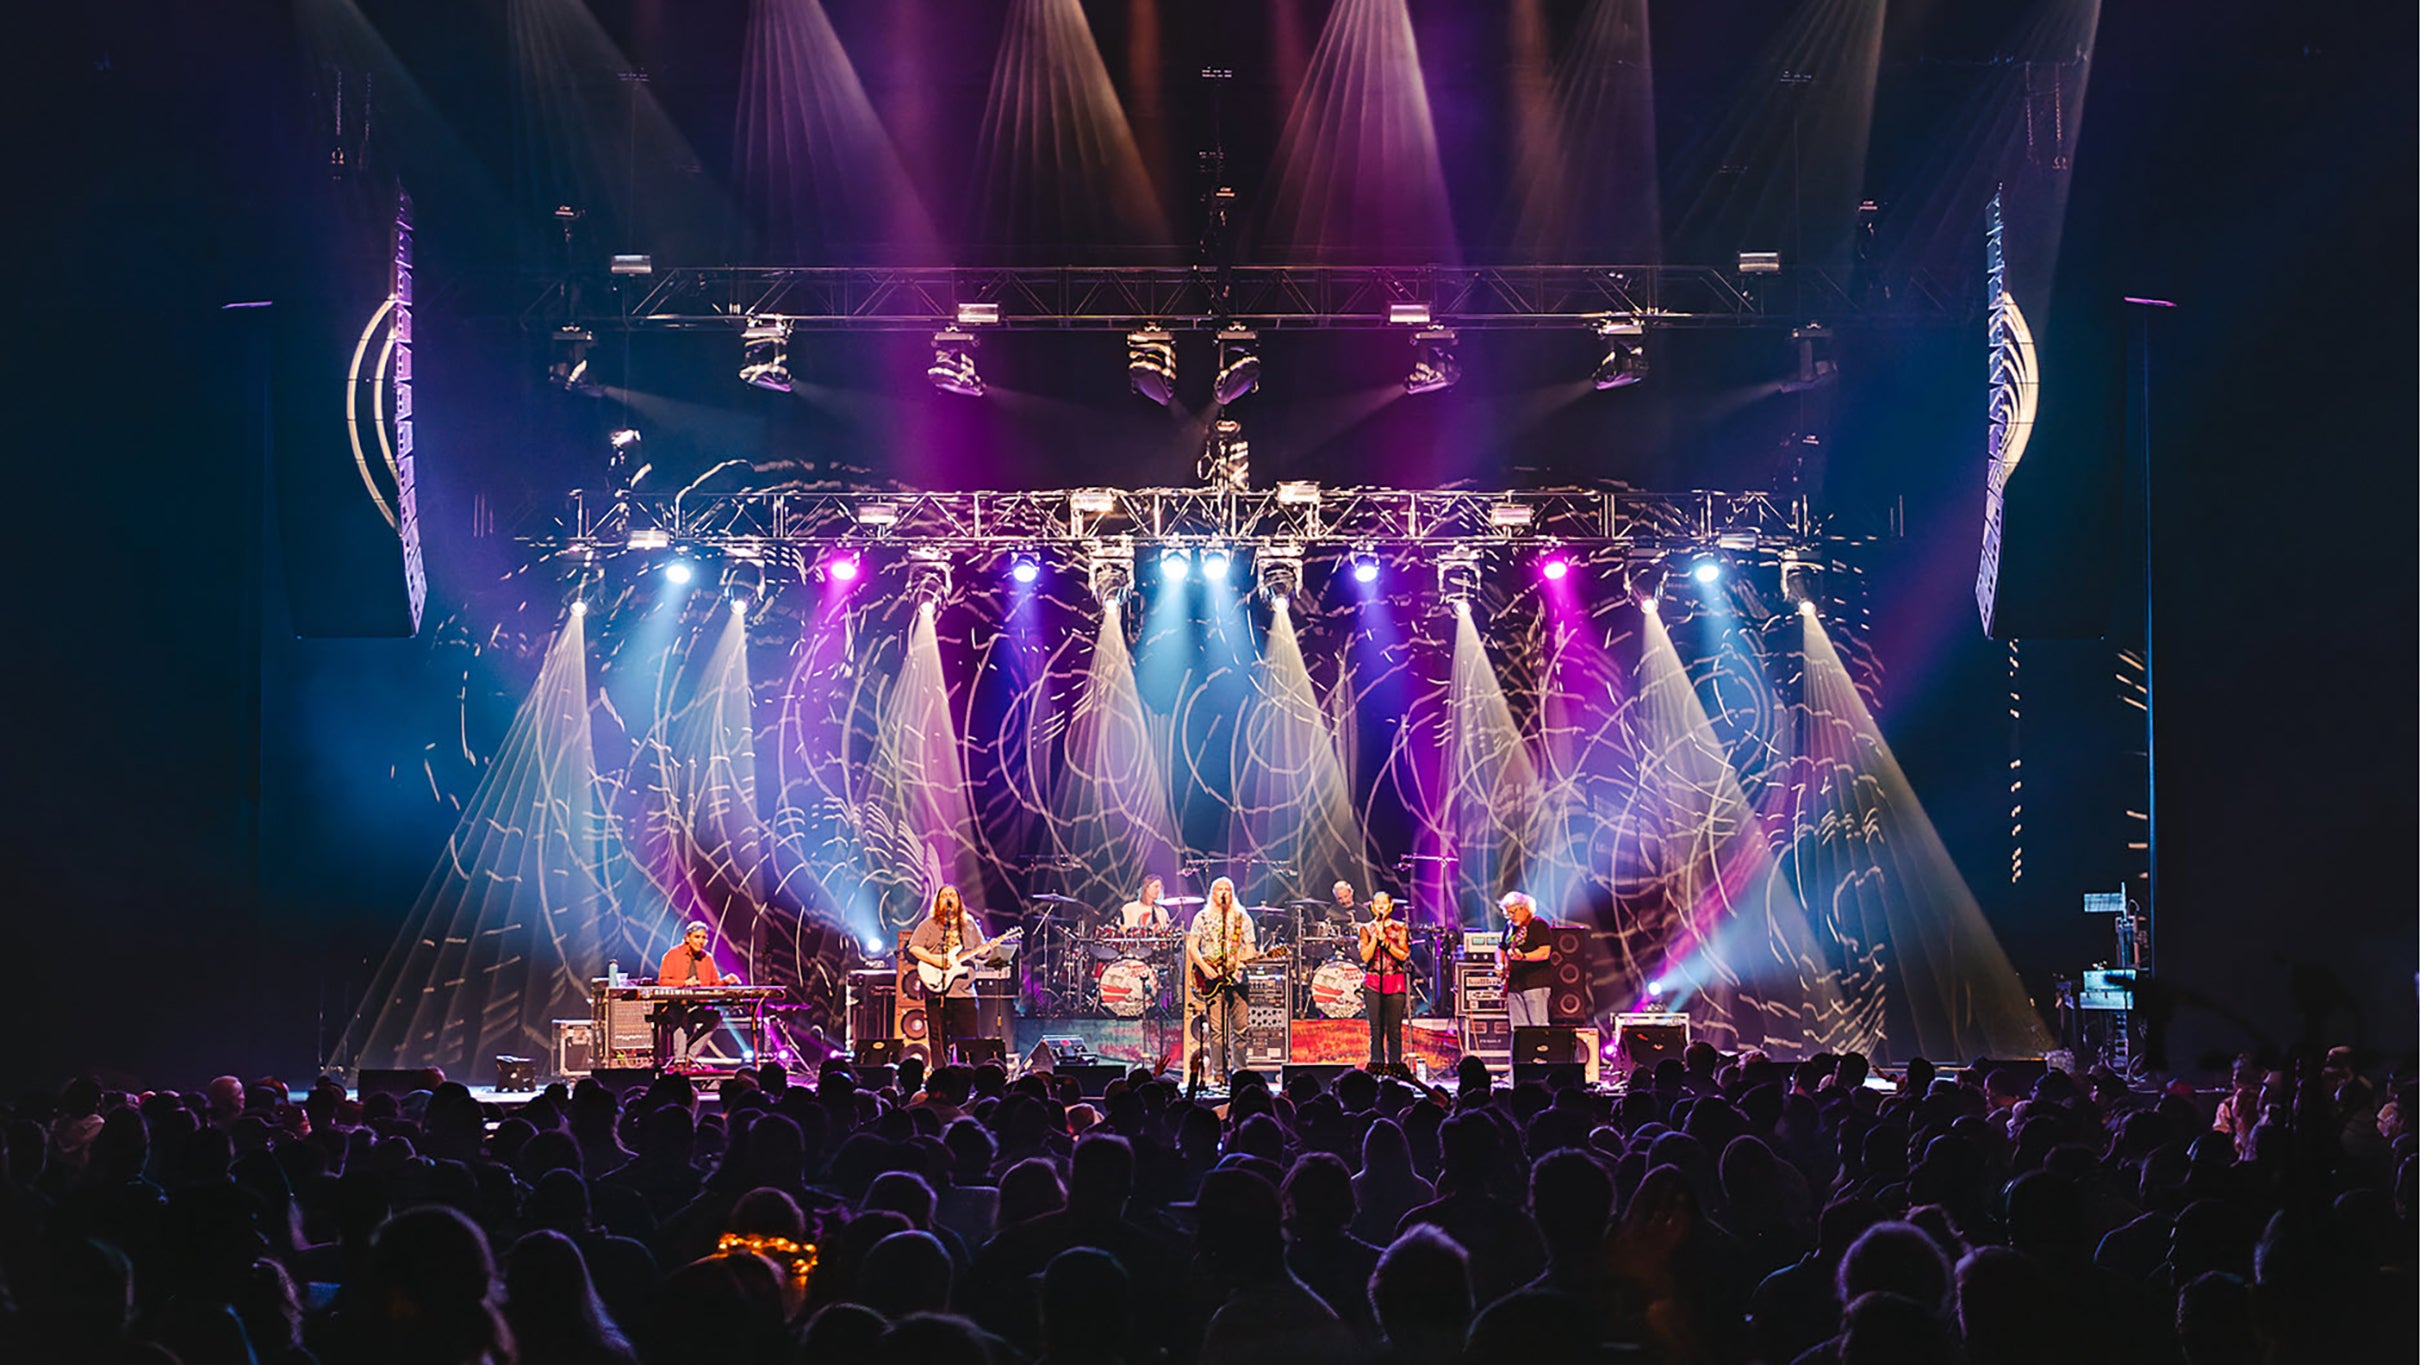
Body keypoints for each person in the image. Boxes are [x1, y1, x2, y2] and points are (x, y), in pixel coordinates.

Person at [907, 886, 1002, 1064]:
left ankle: (969, 1074)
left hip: (964, 992)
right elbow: (914, 947)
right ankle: (940, 1074)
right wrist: (935, 960)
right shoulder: (928, 924)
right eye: (944, 895)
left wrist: (987, 949)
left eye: (952, 895)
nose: (948, 898)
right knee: (938, 1039)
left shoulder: (970, 925)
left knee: (969, 1039)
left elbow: (981, 952)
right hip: (936, 991)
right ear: (938, 901)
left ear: (959, 901)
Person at [1187, 878, 1258, 1085]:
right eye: (1219, 889)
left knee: (1241, 1028)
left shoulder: (1243, 918)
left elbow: (1250, 948)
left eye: (1227, 889)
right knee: (1216, 1030)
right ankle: (1219, 1073)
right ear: (1213, 893)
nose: (1223, 892)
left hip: (1237, 980)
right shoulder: (1202, 917)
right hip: (1211, 978)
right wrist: (1205, 968)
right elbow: (1192, 947)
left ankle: (1240, 1071)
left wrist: (1242, 962)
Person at [655, 922, 733, 1067]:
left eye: (704, 938)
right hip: (674, 1007)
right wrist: (684, 983)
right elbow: (663, 981)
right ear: (687, 937)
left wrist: (725, 981)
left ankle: (690, 1056)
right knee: (680, 1013)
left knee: (715, 1016)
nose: (700, 941)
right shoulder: (672, 955)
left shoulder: (707, 958)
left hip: (697, 1007)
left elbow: (713, 986)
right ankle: (679, 1061)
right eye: (697, 937)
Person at [1357, 892, 1411, 1070]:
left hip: (1395, 982)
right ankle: (1377, 1068)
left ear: (1390, 906)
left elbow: (1403, 955)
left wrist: (1386, 942)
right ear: (1373, 907)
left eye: (1384, 903)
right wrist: (1375, 937)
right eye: (1377, 903)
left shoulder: (1400, 927)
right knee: (1376, 1030)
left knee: (1394, 1030)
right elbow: (1365, 957)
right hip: (1373, 982)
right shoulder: (1365, 928)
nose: (1381, 906)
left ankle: (1395, 1068)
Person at [1498, 891, 1554, 1028]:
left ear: (1524, 908)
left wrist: (1523, 956)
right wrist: (1500, 964)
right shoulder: (1509, 927)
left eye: (1513, 912)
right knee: (1518, 1029)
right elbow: (1501, 948)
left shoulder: (1538, 925)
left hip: (1535, 984)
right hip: (1513, 985)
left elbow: (1544, 952)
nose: (1511, 916)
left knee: (1538, 1027)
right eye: (1507, 913)